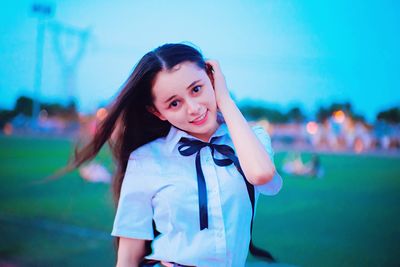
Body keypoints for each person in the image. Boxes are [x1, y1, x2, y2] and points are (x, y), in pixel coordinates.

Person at [64, 43, 282, 267]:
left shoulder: (252, 139)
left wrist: (224, 100)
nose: (194, 108)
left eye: (197, 89)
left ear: (212, 79)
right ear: (158, 112)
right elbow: (129, 255)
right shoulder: (145, 158)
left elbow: (261, 175)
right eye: (174, 103)